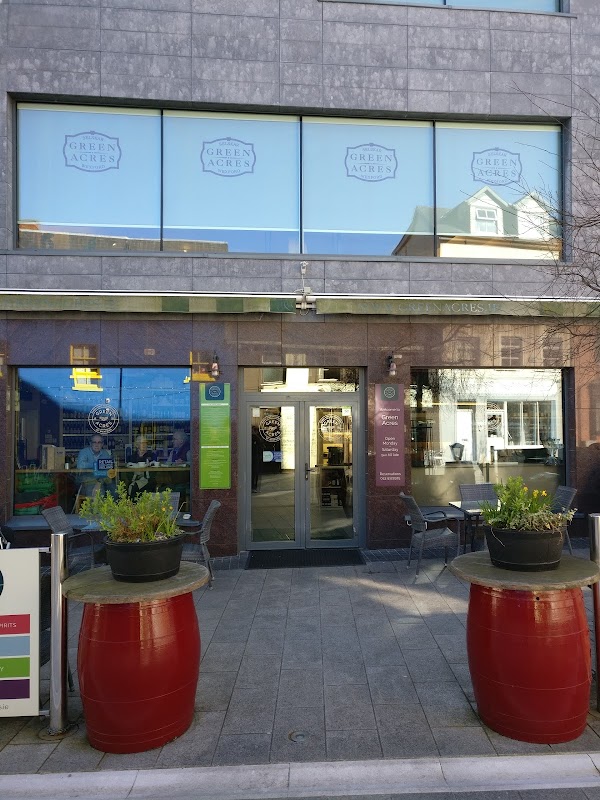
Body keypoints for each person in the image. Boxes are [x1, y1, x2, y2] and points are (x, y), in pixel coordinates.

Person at [127, 434, 156, 499]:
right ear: (137, 445)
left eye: (145, 443)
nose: (144, 445)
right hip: (134, 481)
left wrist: (147, 469)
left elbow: (154, 473)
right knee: (132, 487)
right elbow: (128, 474)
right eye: (141, 443)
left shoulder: (152, 455)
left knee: (135, 488)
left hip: (148, 482)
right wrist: (136, 474)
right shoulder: (131, 457)